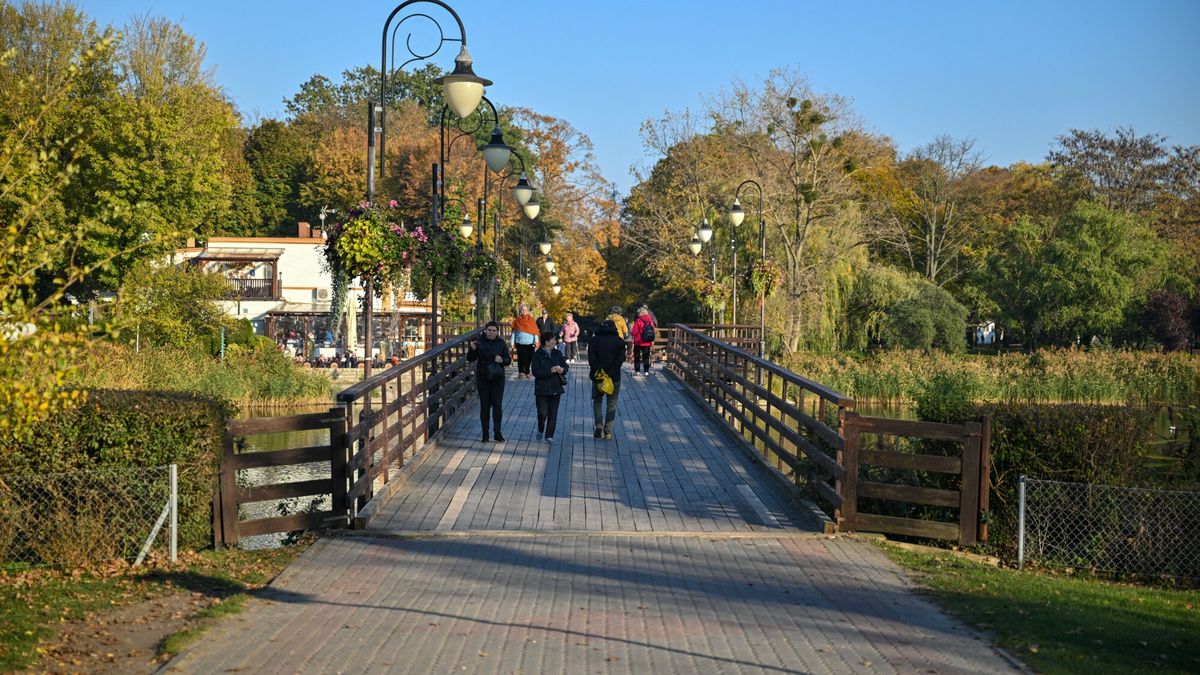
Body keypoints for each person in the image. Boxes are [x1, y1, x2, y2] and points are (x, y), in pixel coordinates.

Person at [466, 321, 512, 442]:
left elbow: (508, 360)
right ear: (485, 330)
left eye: (494, 330)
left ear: (497, 332)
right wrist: (472, 349)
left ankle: (497, 432)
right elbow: (470, 359)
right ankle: (485, 433)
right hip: (483, 377)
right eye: (489, 330)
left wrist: (501, 359)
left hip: (498, 377)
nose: (491, 332)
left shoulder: (501, 343)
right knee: (485, 406)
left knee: (497, 405)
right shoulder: (479, 341)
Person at [587, 319, 627, 440]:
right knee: (612, 404)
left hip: (598, 376)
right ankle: (608, 431)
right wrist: (610, 373)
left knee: (597, 401)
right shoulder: (619, 342)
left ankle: (598, 426)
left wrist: (601, 371)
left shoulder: (594, 340)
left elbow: (591, 359)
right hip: (614, 377)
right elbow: (620, 360)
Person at [531, 330, 569, 443]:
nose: (555, 341)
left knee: (553, 413)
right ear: (547, 342)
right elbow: (535, 372)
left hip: (555, 387)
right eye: (553, 339)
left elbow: (565, 366)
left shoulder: (557, 353)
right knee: (542, 413)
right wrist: (549, 370)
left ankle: (549, 436)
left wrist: (563, 370)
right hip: (541, 389)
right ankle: (540, 429)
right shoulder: (537, 355)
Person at [511, 304, 539, 380]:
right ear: (520, 311)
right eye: (523, 310)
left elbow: (535, 331)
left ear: (527, 311)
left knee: (529, 358)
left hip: (530, 343)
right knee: (521, 358)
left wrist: (536, 341)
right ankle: (521, 372)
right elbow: (514, 332)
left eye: (526, 310)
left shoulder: (531, 320)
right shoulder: (517, 320)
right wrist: (512, 342)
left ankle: (527, 372)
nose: (524, 311)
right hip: (520, 343)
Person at [630, 306, 656, 376]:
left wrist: (632, 333)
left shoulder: (638, 320)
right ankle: (646, 371)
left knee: (637, 357)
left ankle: (637, 371)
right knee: (646, 357)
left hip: (638, 341)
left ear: (640, 313)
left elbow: (634, 332)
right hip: (647, 341)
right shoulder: (650, 320)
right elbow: (653, 330)